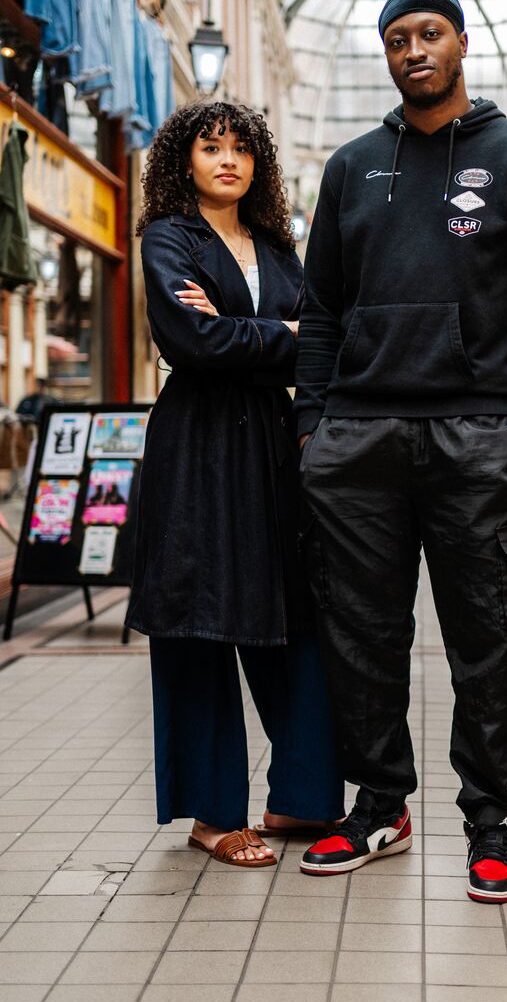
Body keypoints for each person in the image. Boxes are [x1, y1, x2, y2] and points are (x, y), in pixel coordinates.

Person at [294, 0, 507, 903]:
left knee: (484, 641)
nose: (414, 49)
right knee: (361, 636)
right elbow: (320, 310)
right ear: (387, 55)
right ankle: (378, 804)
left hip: (476, 437)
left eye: (430, 33)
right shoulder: (349, 167)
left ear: (460, 44)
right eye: (397, 38)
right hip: (359, 440)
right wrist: (314, 428)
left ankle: (491, 824)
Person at [126, 101, 343, 868]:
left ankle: (303, 797)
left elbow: (319, 342)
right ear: (183, 160)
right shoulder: (168, 238)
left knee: (296, 607)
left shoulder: (279, 250)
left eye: (242, 149)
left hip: (274, 445)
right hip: (196, 443)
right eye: (211, 147)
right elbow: (192, 337)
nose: (228, 160)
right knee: (199, 615)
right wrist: (277, 336)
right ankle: (213, 815)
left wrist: (261, 336)